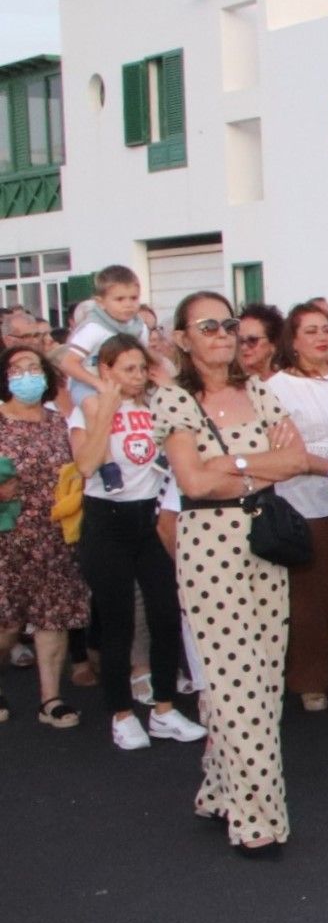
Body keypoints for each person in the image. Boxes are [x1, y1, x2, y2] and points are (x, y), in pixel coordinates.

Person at [153, 293, 312, 858]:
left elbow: (295, 460)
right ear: (182, 339)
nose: (224, 335)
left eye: (229, 325)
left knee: (264, 678)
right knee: (234, 679)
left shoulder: (258, 390)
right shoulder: (173, 401)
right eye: (209, 326)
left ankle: (219, 790)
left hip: (263, 545)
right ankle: (258, 817)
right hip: (210, 551)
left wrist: (232, 465)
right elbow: (192, 485)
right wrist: (255, 470)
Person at [68, 335, 201, 749]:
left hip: (149, 515)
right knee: (118, 620)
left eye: (141, 368)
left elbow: (177, 382)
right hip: (106, 521)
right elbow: (87, 464)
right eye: (128, 369)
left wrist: (157, 366)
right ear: (105, 370)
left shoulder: (156, 403)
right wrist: (106, 407)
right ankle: (121, 713)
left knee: (164, 615)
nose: (138, 376)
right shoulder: (87, 407)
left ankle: (163, 707)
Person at [266, 302, 328, 714]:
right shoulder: (277, 387)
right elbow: (289, 450)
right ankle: (311, 678)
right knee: (309, 598)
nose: (323, 338)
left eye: (326, 329)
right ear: (293, 341)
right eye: (311, 332)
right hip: (304, 499)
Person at [0, 347, 93, 728]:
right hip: (7, 538)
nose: (27, 376)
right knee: (6, 624)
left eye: (34, 368)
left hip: (54, 537)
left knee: (52, 618)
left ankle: (50, 698)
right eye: (17, 369)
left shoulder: (60, 423)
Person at [56, 265, 153, 401]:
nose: (128, 304)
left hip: (127, 385)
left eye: (133, 298)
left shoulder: (140, 328)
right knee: (93, 405)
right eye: (120, 299)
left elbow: (144, 360)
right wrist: (98, 383)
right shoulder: (93, 328)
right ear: (100, 302)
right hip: (88, 383)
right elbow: (68, 363)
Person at [234, 304, 282, 383]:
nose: (244, 347)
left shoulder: (289, 385)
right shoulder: (229, 387)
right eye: (240, 341)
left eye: (252, 340)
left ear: (273, 344)